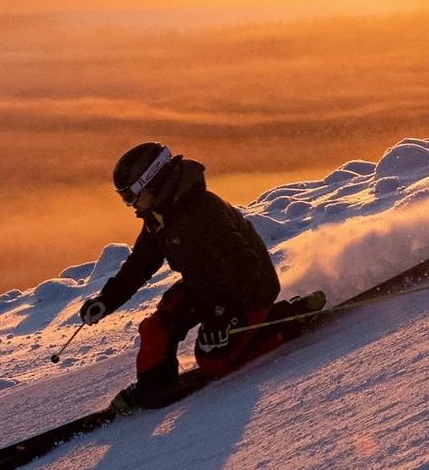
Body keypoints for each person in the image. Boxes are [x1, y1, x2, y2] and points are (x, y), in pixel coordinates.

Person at [78, 142, 325, 405]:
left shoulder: (203, 211)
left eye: (130, 195)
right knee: (156, 329)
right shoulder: (158, 218)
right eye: (124, 197)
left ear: (154, 181)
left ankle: (288, 317)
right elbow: (139, 265)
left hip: (250, 291)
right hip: (204, 287)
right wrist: (106, 301)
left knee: (213, 360)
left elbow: (243, 264)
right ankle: (155, 386)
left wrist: (223, 313)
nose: (130, 204)